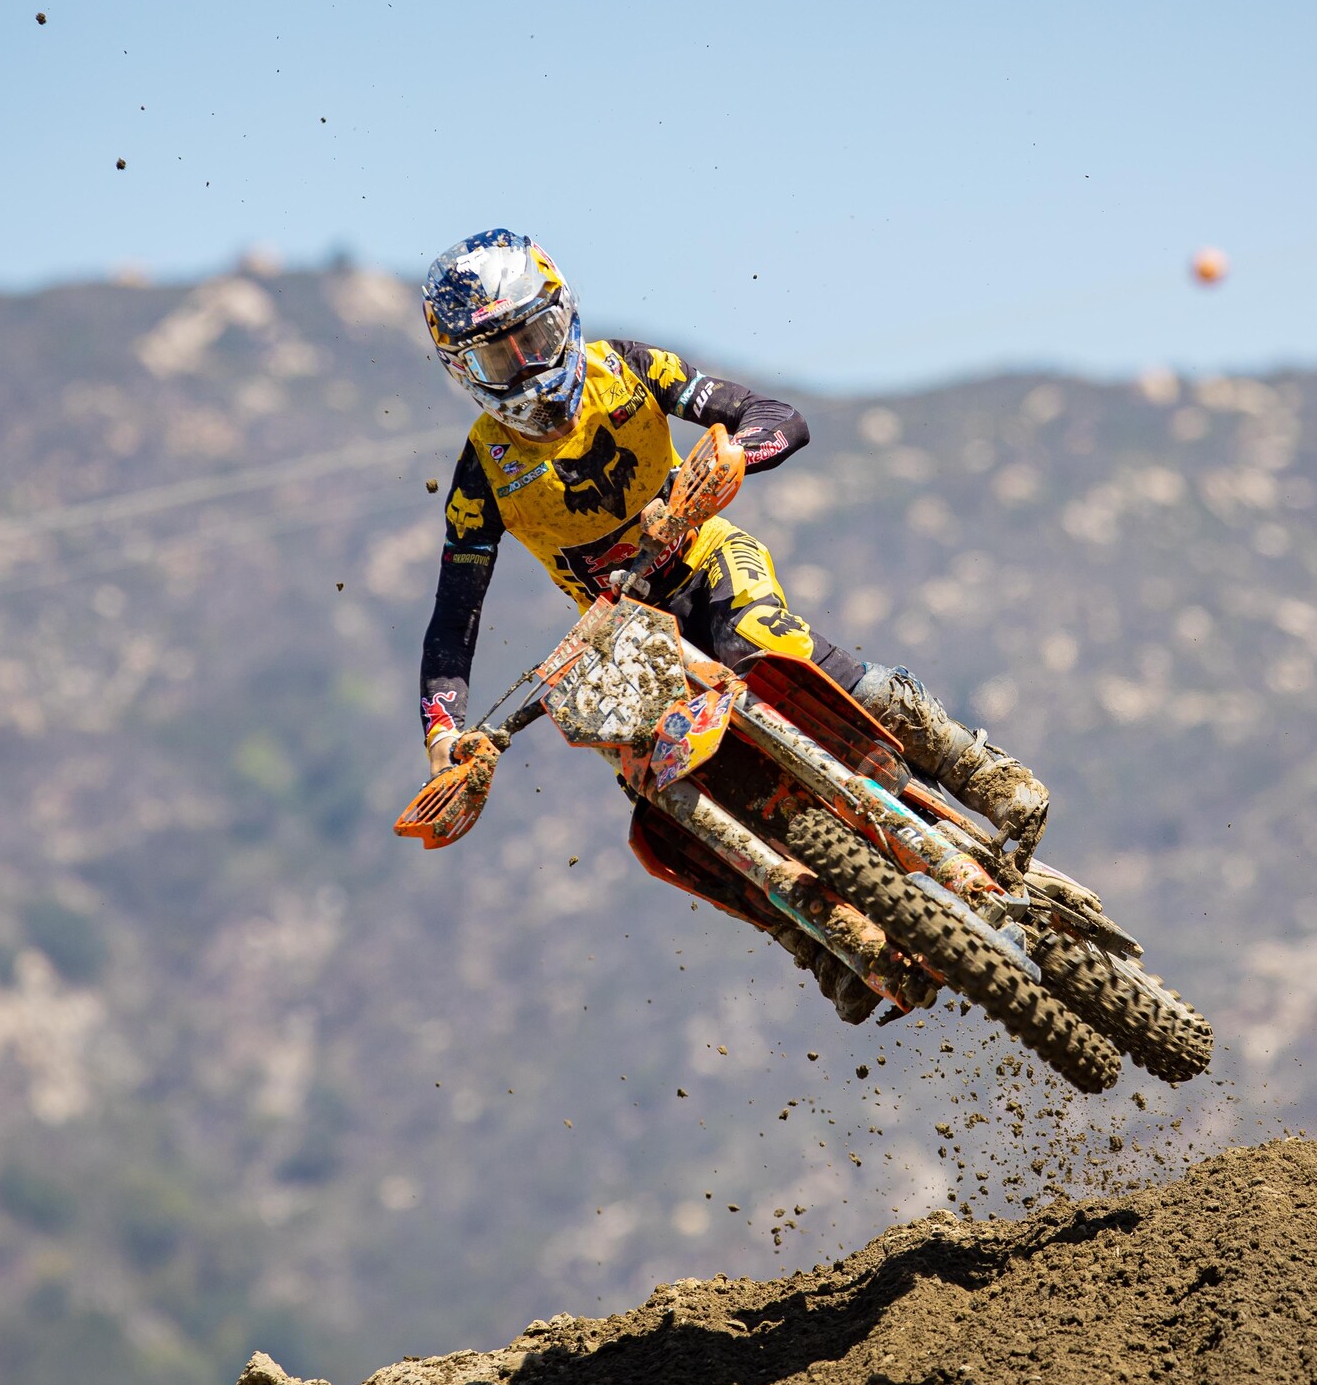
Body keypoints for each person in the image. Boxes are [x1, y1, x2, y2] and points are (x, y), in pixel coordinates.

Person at [413, 230, 1045, 1014]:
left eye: (536, 339)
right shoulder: (481, 472)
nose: (529, 368)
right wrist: (445, 735)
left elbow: (777, 415)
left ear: (565, 318)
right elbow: (454, 616)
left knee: (770, 647)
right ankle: (813, 941)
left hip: (705, 558)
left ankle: (972, 765)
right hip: (622, 636)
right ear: (462, 370)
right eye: (498, 357)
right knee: (657, 792)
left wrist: (736, 455)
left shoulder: (628, 368)